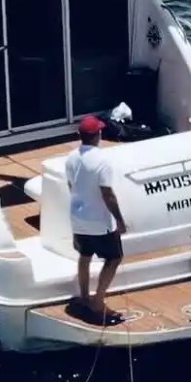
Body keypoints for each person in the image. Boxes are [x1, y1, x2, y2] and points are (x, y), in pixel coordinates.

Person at [64, 115, 127, 324]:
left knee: (85, 255)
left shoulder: (71, 157)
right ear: (98, 135)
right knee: (114, 258)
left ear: (80, 136)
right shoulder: (102, 160)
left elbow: (71, 186)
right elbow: (107, 194)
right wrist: (119, 219)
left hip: (77, 217)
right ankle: (98, 301)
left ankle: (84, 297)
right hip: (99, 222)